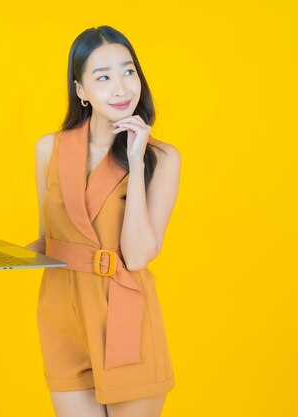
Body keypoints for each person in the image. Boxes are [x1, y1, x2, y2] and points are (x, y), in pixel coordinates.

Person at [24, 25, 181, 417]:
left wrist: (133, 156)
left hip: (125, 316)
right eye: (103, 77)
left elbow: (140, 255)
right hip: (63, 314)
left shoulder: (161, 158)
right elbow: (50, 240)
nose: (122, 88)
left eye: (129, 72)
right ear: (81, 90)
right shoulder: (50, 149)